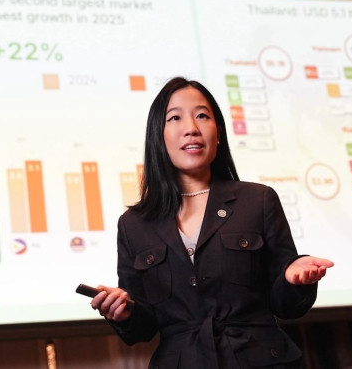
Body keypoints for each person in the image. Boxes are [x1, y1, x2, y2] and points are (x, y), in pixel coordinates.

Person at [91, 77, 333, 368]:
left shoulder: (257, 200)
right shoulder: (134, 225)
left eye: (202, 116)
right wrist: (123, 312)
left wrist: (294, 279)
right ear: (158, 137)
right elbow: (143, 329)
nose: (191, 128)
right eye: (175, 118)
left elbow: (286, 306)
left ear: (218, 133)